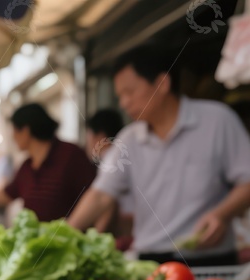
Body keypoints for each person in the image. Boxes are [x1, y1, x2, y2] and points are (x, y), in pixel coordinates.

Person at [68, 46, 250, 266]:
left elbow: (247, 180)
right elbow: (100, 195)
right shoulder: (129, 139)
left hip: (212, 259)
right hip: (151, 263)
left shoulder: (218, 120)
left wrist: (222, 214)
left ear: (162, 83)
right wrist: (62, 236)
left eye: (130, 92)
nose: (124, 103)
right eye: (120, 96)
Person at [0, 104, 97, 223]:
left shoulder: (71, 155)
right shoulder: (27, 167)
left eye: (14, 130)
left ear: (25, 131)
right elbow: (3, 196)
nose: (12, 137)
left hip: (72, 248)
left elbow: (97, 194)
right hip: (39, 249)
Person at [85, 109, 129, 237]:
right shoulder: (122, 154)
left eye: (88, 136)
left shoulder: (110, 160)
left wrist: (94, 239)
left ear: (99, 136)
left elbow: (105, 199)